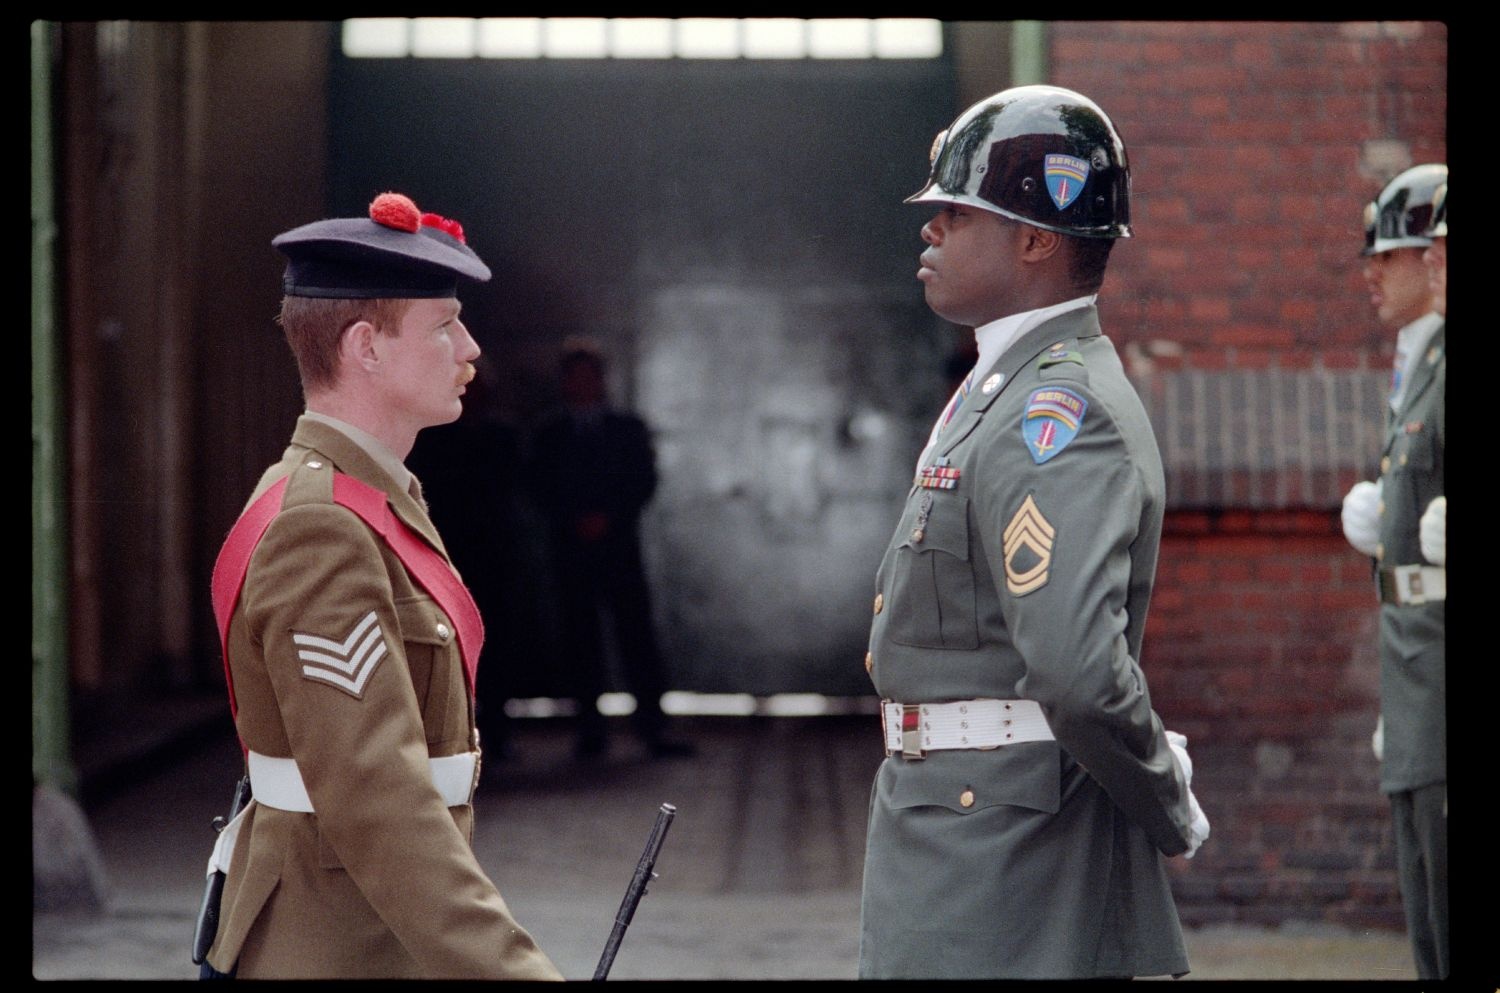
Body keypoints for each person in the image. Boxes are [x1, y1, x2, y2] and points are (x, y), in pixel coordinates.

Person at [858, 85, 1209, 980]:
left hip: (1001, 856)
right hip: (962, 826)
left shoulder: (1056, 408)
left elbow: (1078, 673)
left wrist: (1164, 799)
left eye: (955, 211)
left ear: (1036, 237)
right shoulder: (1002, 386)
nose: (929, 228)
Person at [200, 192, 563, 979]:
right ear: (365, 347)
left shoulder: (365, 500)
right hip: (337, 946)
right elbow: (378, 799)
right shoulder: (321, 528)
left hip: (368, 928)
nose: (469, 349)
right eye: (444, 325)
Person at [1340, 164, 1447, 980]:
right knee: (1425, 905)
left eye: (1395, 252)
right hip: (1415, 664)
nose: (1374, 268)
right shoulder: (1415, 364)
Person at [525, 339, 693, 759]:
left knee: (636, 637)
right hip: (571, 552)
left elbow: (643, 480)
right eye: (575, 376)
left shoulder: (626, 428)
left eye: (589, 375)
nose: (582, 384)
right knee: (580, 641)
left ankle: (653, 728)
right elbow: (537, 486)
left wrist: (608, 516)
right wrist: (574, 518)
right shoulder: (549, 433)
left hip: (619, 549)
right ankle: (590, 731)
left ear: (601, 380)